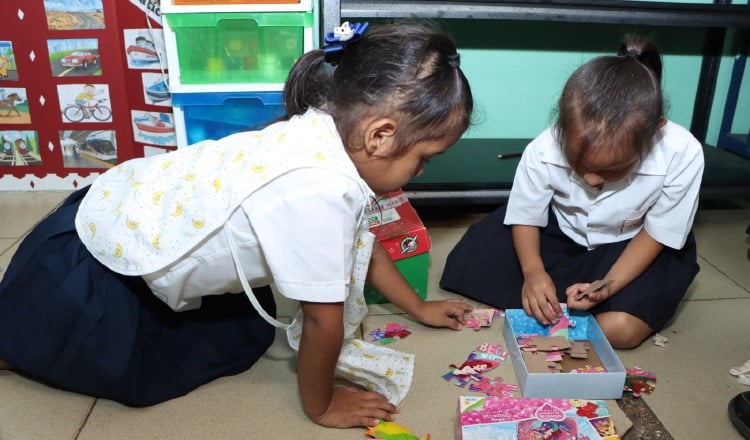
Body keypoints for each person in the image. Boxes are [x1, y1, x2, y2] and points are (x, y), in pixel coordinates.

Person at [0, 22, 474, 429]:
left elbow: (361, 245)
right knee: (111, 364)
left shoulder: (325, 129)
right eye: (423, 160)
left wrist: (418, 306)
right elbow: (321, 318)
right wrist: (323, 404)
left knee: (240, 337)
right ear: (380, 135)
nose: (421, 173)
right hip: (98, 270)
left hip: (119, 208)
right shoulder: (321, 190)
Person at [440, 35, 704, 350]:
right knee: (468, 263)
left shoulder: (682, 151)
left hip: (636, 244)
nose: (592, 180)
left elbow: (658, 234)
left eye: (612, 169)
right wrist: (533, 272)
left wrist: (608, 287)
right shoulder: (543, 147)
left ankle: (597, 297)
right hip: (560, 232)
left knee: (618, 330)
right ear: (563, 128)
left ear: (655, 131)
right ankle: (557, 286)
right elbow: (526, 215)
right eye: (578, 163)